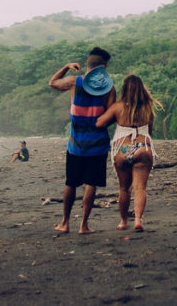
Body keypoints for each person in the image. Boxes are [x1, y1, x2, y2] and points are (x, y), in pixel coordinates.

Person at [48, 46, 116, 234]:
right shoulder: (109, 89)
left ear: (88, 63)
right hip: (98, 143)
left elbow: (52, 83)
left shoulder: (74, 82)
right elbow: (110, 116)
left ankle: (65, 223)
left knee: (71, 182)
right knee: (91, 183)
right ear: (104, 67)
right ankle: (84, 225)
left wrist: (66, 66)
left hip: (76, 143)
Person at [96, 74, 162, 232]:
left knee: (124, 188)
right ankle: (138, 220)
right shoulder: (147, 107)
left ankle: (123, 221)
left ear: (124, 89)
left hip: (123, 149)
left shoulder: (117, 107)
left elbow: (99, 123)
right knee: (140, 188)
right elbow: (149, 131)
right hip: (142, 147)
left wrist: (109, 110)